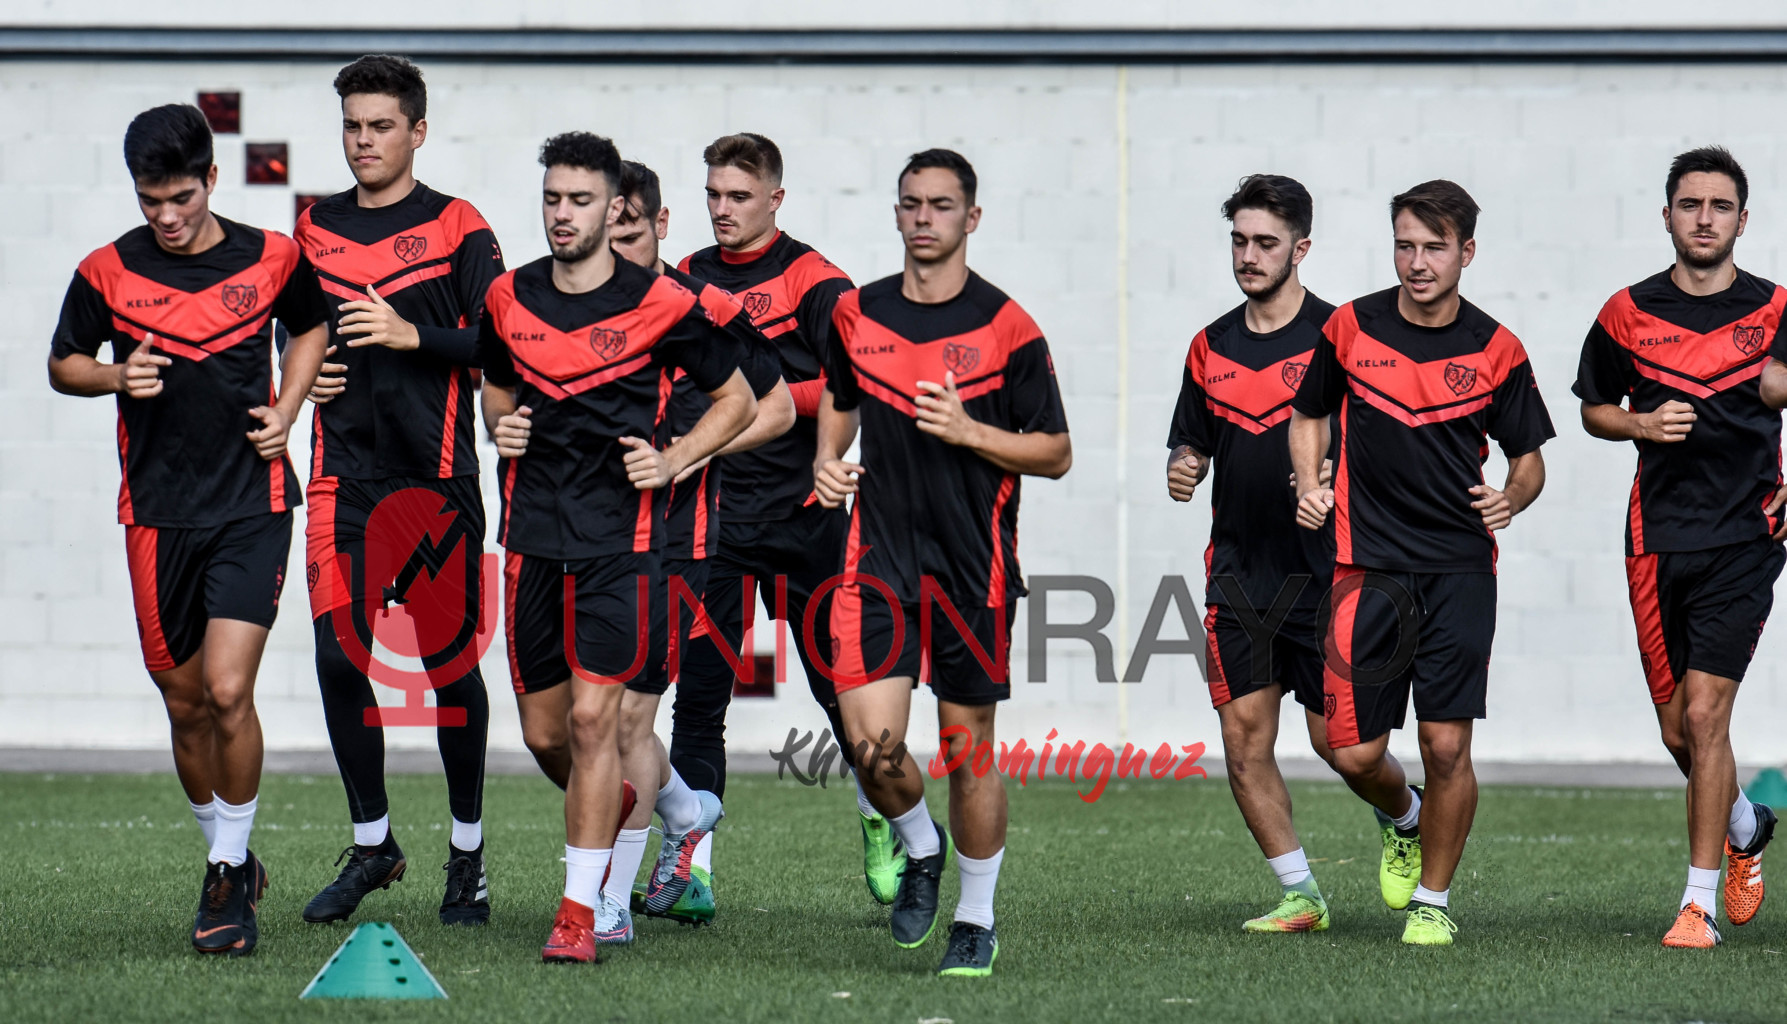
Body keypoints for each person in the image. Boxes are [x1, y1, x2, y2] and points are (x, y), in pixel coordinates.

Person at [48, 103, 328, 955]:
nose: (166, 217)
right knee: (182, 699)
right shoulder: (105, 270)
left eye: (180, 197)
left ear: (212, 178)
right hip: (157, 513)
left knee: (228, 690)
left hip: (253, 503)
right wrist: (112, 377)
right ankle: (229, 850)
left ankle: (228, 873)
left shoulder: (275, 257)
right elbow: (63, 364)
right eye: (149, 201)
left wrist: (288, 409)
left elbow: (312, 329)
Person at [478, 132, 757, 964]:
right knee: (546, 735)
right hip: (531, 541)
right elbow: (494, 387)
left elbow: (738, 400)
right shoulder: (506, 297)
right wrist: (504, 426)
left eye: (580, 201)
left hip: (624, 546)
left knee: (597, 719)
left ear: (613, 208)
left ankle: (580, 911)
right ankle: (634, 805)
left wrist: (673, 459)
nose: (563, 215)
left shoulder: (664, 303)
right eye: (553, 200)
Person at [814, 148, 1071, 977]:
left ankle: (975, 915)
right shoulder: (856, 314)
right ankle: (920, 847)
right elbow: (839, 403)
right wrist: (827, 459)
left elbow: (1056, 451)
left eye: (941, 205)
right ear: (895, 214)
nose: (924, 218)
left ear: (971, 218)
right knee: (872, 749)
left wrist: (971, 433)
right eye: (911, 204)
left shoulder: (1009, 327)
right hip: (877, 557)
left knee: (966, 748)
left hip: (974, 567)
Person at [1289, 179, 1555, 946]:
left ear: (1465, 252)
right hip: (1364, 566)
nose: (1416, 261)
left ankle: (1432, 902)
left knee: (1445, 744)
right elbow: (1307, 414)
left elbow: (1529, 458)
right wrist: (1310, 481)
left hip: (1458, 569)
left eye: (1433, 247)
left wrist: (1513, 497)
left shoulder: (1496, 347)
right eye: (1404, 244)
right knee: (1350, 749)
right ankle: (1401, 816)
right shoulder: (1347, 327)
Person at [540, 158, 790, 938]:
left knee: (621, 722)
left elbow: (776, 408)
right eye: (604, 224)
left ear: (657, 223)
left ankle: (607, 900)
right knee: (573, 729)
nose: (612, 237)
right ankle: (683, 811)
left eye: (628, 225)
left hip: (677, 539)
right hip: (583, 538)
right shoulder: (570, 302)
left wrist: (686, 455)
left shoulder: (700, 305)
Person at [1167, 173, 1415, 933]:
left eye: (1264, 243)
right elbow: (1193, 437)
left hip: (1333, 575)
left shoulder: (1346, 335)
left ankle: (1404, 817)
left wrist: (1337, 481)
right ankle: (1300, 893)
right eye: (1238, 240)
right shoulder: (1209, 345)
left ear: (1300, 248)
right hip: (1240, 574)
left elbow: (1392, 447)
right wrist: (1183, 463)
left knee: (1345, 751)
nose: (1247, 255)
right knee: (1243, 741)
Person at [293, 54, 504, 926]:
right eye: (353, 125)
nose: (364, 141)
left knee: (448, 670)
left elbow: (507, 342)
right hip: (342, 478)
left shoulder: (461, 227)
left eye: (381, 126)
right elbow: (293, 333)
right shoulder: (313, 226)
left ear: (417, 131)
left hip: (436, 478)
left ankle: (467, 855)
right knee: (340, 656)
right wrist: (306, 374)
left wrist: (410, 335)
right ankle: (375, 844)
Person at [674, 132, 890, 905]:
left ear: (774, 198)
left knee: (848, 696)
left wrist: (774, 407)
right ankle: (689, 869)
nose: (723, 208)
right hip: (715, 524)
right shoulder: (689, 277)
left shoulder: (813, 280)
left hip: (808, 520)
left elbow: (857, 375)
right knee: (698, 697)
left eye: (738, 195)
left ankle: (881, 816)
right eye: (712, 194)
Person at [1586, 145, 1784, 949]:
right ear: (1666, 214)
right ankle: (1744, 824)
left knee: (1706, 715)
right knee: (1677, 732)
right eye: (1690, 204)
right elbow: (1594, 408)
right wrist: (1638, 423)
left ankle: (1696, 904)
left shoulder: (1775, 310)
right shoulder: (1624, 312)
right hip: (1656, 541)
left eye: (1719, 205)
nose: (1704, 218)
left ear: (1743, 219)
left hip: (1746, 538)